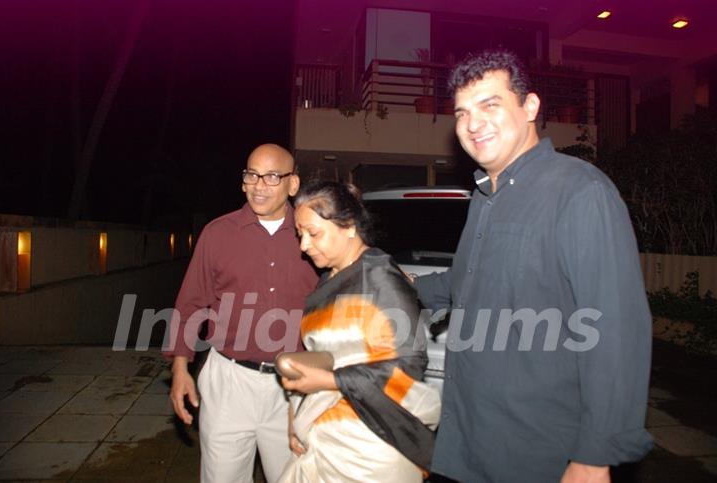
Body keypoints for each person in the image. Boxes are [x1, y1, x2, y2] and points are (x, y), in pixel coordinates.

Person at [412, 50, 653, 482]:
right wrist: (384, 284)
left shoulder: (579, 192)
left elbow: (618, 331)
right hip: (471, 440)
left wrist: (594, 457)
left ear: (530, 107)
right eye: (462, 112)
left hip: (539, 452)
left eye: (491, 105)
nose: (472, 123)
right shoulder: (485, 199)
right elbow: (465, 283)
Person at [165, 144, 318, 483]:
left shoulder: (316, 234)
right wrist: (180, 369)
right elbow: (191, 303)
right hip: (229, 382)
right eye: (251, 175)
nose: (258, 185)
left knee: (294, 476)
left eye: (272, 176)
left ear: (293, 184)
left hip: (295, 385)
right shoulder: (217, 234)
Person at [278, 180, 441, 483]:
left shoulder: (379, 278)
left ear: (349, 226)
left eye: (314, 234)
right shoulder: (330, 278)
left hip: (370, 447)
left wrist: (331, 381)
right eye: (300, 235)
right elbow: (319, 354)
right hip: (323, 438)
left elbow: (409, 363)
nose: (303, 246)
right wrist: (295, 417)